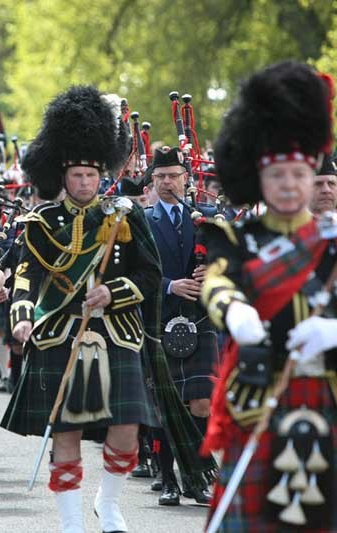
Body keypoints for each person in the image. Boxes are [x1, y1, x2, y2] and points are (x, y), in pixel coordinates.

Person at [1, 85, 162, 532]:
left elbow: (150, 275)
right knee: (66, 431)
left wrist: (114, 292)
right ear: (63, 176)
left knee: (127, 427)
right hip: (58, 330)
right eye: (77, 176)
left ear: (100, 175)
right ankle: (71, 523)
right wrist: (21, 316)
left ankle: (107, 504)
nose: (85, 183)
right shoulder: (40, 224)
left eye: (92, 176)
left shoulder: (124, 217)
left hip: (116, 332)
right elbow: (26, 275)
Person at [202, 61, 337, 531]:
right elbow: (218, 281)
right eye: (278, 175)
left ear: (312, 175)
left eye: (299, 175)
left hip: (325, 392)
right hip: (258, 394)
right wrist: (235, 310)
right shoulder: (237, 238)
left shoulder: (333, 242)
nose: (289, 185)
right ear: (260, 180)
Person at [144, 146, 216, 506]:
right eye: (161, 177)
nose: (168, 182)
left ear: (187, 179)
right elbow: (133, 275)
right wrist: (171, 285)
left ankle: (195, 475)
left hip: (199, 318)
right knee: (164, 406)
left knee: (202, 402)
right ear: (152, 182)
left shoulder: (208, 218)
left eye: (174, 176)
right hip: (160, 320)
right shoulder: (141, 222)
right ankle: (168, 478)